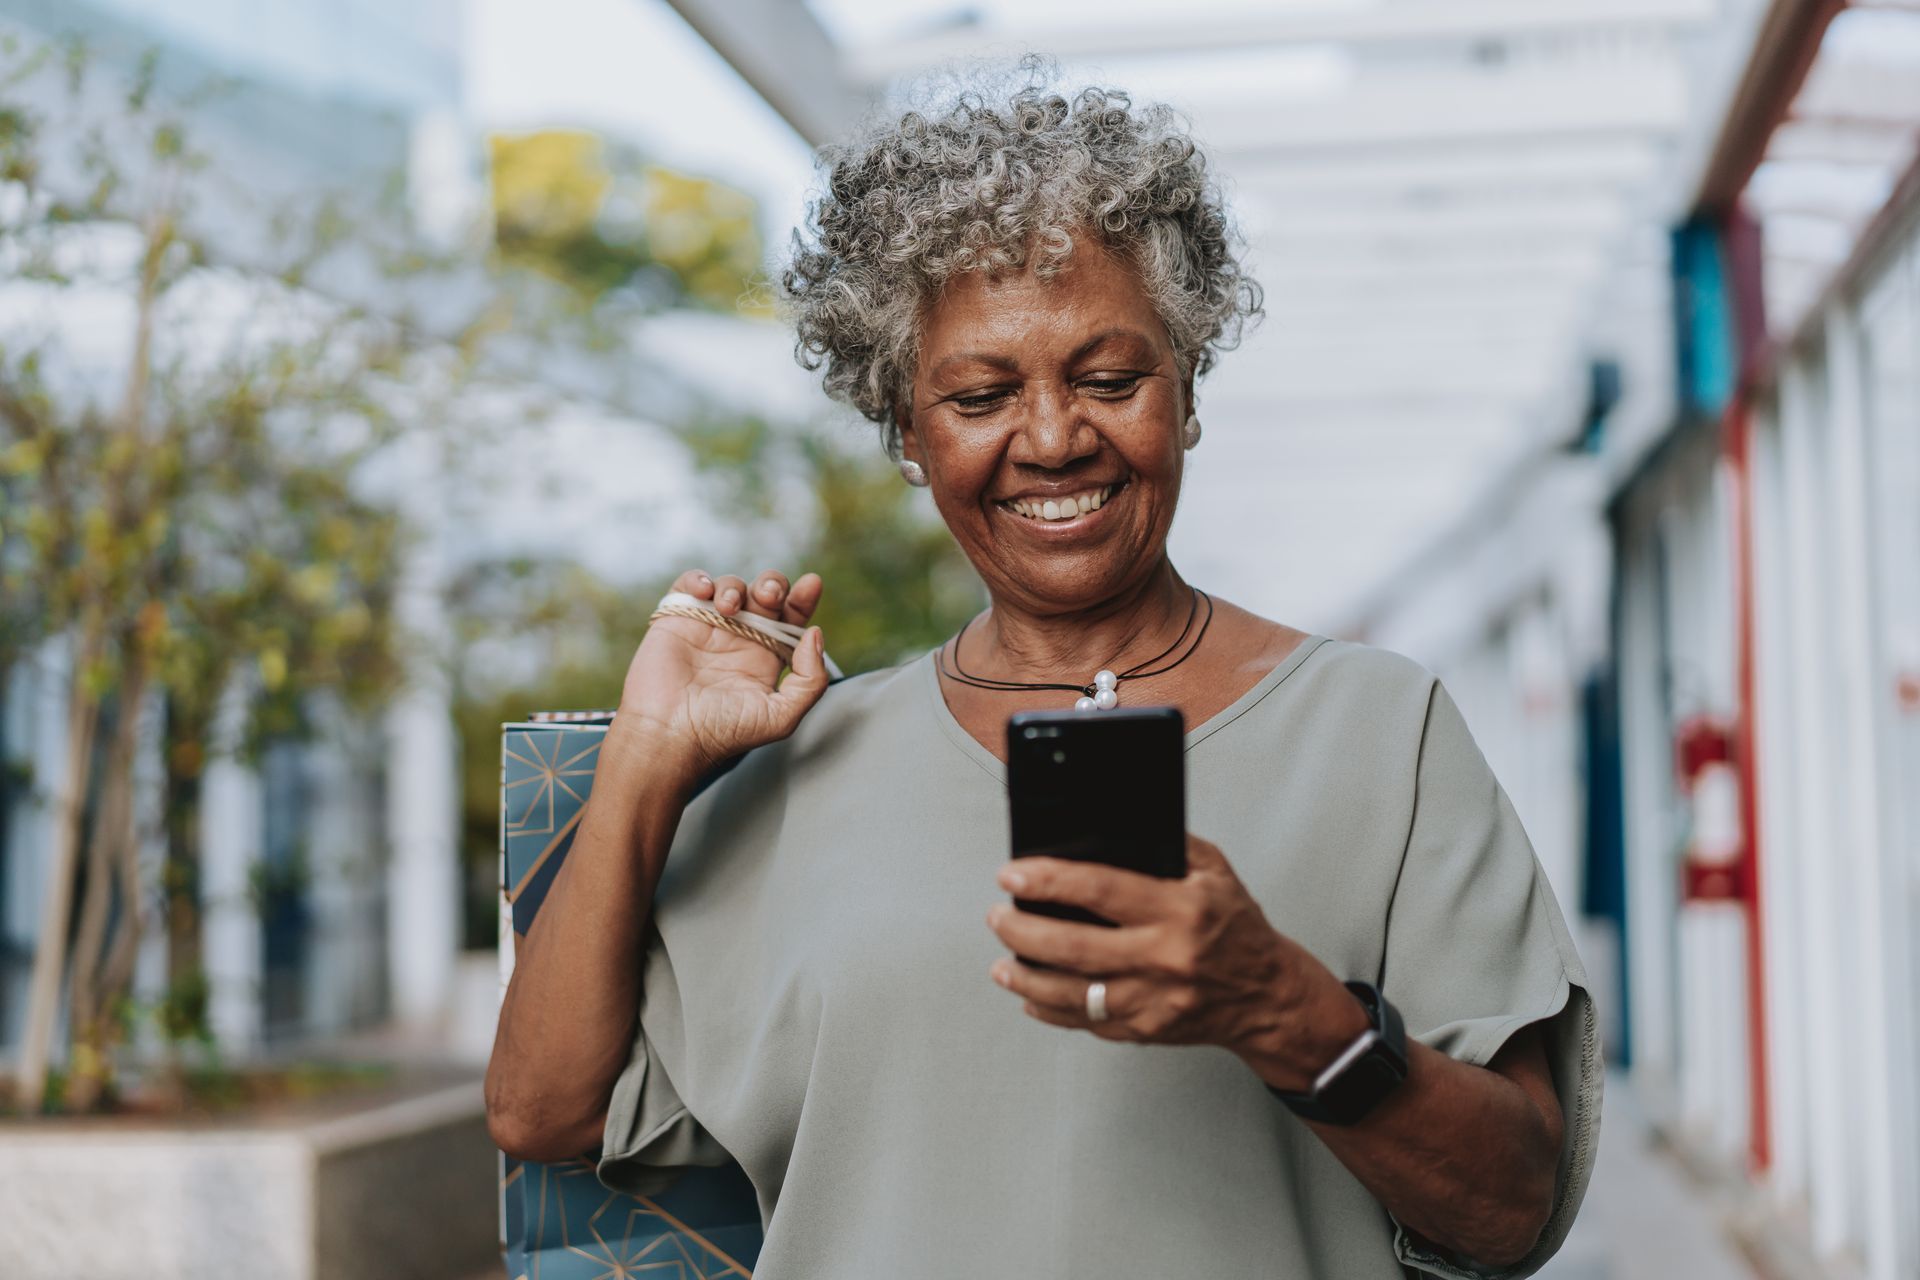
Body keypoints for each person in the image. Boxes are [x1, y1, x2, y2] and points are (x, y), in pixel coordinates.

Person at [486, 71, 1600, 1279]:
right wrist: (647, 763)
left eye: (1112, 378)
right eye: (979, 395)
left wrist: (1284, 1007)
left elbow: (1509, 1211)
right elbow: (544, 1110)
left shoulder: (1381, 729)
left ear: (1185, 387)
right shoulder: (809, 762)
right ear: (908, 430)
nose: (1057, 436)